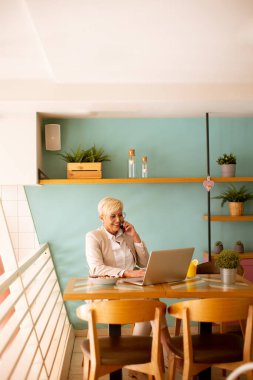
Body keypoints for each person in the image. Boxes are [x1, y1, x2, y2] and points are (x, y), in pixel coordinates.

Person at [85, 196, 171, 371]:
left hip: (132, 289)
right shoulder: (94, 236)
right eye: (113, 216)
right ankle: (166, 349)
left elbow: (145, 263)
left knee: (153, 303)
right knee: (153, 304)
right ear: (102, 217)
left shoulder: (127, 235)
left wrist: (136, 237)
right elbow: (96, 269)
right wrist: (127, 273)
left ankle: (136, 363)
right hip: (107, 293)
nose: (118, 220)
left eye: (120, 215)